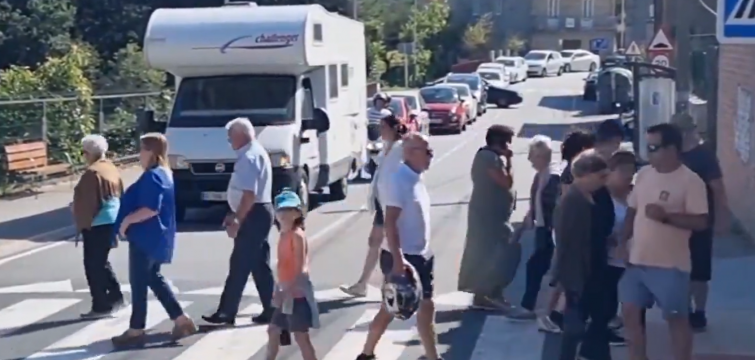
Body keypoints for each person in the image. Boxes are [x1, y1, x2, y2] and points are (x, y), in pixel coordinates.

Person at [617, 123, 708, 360]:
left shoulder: (691, 181)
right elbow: (632, 210)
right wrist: (622, 242)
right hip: (637, 262)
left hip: (671, 267)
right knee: (629, 313)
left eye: (654, 147)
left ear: (672, 149)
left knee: (676, 320)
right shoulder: (644, 174)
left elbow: (701, 222)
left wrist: (667, 217)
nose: (649, 153)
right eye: (647, 147)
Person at [356, 133, 440, 360]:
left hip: (421, 253)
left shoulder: (416, 177)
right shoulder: (398, 180)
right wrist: (398, 260)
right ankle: (366, 353)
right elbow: (390, 222)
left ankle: (433, 356)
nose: (431, 155)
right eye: (427, 151)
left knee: (425, 307)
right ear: (411, 153)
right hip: (402, 257)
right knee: (392, 309)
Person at [111, 133, 197, 346]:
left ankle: (136, 329)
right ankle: (180, 319)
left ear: (150, 151)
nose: (139, 154)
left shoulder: (154, 176)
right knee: (152, 278)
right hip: (154, 236)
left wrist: (126, 222)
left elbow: (150, 208)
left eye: (141, 149)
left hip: (146, 237)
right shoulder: (164, 173)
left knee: (139, 282)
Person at [203, 117, 275, 325]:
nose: (229, 142)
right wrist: (232, 211)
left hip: (254, 213)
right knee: (259, 264)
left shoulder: (249, 157)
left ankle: (227, 312)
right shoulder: (254, 153)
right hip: (258, 212)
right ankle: (272, 308)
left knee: (240, 264)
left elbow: (249, 194)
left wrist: (237, 218)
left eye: (230, 137)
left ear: (239, 136)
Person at [552, 149, 612, 360]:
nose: (605, 181)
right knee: (576, 326)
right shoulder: (572, 201)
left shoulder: (595, 195)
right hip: (579, 273)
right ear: (585, 174)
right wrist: (567, 278)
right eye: (601, 176)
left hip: (595, 267)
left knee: (598, 320)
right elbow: (565, 243)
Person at [671, 113, 727, 331]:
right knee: (679, 269)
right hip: (675, 223)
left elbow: (718, 188)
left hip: (701, 221)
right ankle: (684, 310)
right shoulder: (671, 155)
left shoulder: (704, 156)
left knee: (700, 271)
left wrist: (722, 218)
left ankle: (699, 312)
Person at [341, 114, 407, 297]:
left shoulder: (401, 148)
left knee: (389, 245)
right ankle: (363, 284)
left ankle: (395, 284)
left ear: (394, 128)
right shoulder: (387, 147)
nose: (381, 131)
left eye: (384, 127)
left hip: (392, 203)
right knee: (375, 242)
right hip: (382, 202)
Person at [539, 130, 596, 333]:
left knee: (567, 273)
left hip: (567, 226)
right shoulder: (573, 171)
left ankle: (556, 312)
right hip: (567, 227)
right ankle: (547, 315)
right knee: (563, 273)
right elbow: (567, 200)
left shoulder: (576, 169)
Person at [458, 125, 518, 311]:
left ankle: (485, 293)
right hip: (488, 215)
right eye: (507, 141)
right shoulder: (488, 157)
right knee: (497, 253)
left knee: (491, 251)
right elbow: (506, 182)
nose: (509, 146)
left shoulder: (490, 157)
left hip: (493, 213)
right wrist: (508, 160)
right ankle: (488, 292)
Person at [506, 135, 560, 320]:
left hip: (550, 231)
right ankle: (536, 307)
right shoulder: (541, 175)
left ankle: (533, 308)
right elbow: (534, 208)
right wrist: (521, 230)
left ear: (544, 156)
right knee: (539, 268)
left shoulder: (553, 177)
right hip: (543, 229)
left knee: (539, 268)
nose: (529, 159)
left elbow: (555, 208)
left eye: (533, 155)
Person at [72, 134, 125, 318]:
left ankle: (101, 305)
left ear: (88, 153)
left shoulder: (92, 173)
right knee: (101, 262)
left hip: (97, 223)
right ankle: (115, 296)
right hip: (111, 220)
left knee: (93, 265)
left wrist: (80, 218)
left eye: (83, 152)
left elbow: (88, 203)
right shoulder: (110, 168)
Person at [265, 190, 320, 360]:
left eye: (289, 210)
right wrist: (278, 289)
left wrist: (285, 291)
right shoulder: (284, 234)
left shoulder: (296, 235)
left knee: (301, 337)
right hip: (286, 292)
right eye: (281, 210)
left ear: (298, 213)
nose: (284, 214)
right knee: (274, 330)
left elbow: (301, 269)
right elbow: (283, 266)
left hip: (297, 294)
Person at [604, 150, 637, 345]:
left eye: (631, 172)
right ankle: (603, 331)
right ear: (611, 171)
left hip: (630, 257)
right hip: (609, 256)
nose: (627, 176)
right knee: (607, 295)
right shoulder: (603, 197)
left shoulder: (634, 194)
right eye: (623, 171)